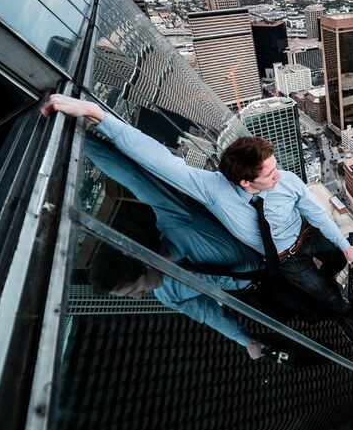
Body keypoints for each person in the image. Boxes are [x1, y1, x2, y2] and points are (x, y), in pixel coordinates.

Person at [43, 95, 353, 323]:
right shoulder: (213, 191)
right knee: (317, 297)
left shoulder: (285, 182)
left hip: (295, 243)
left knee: (333, 259)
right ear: (245, 184)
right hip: (277, 265)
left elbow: (317, 214)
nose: (279, 176)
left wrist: (344, 246)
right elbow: (163, 163)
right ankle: (342, 313)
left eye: (134, 290)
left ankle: (334, 283)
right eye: (269, 173)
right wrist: (93, 120)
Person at [82, 134, 266, 359]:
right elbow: (207, 314)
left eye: (133, 290)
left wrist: (80, 137)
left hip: (276, 259)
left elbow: (132, 177)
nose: (139, 297)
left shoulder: (177, 222)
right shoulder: (168, 295)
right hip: (258, 291)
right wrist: (245, 340)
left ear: (139, 261)